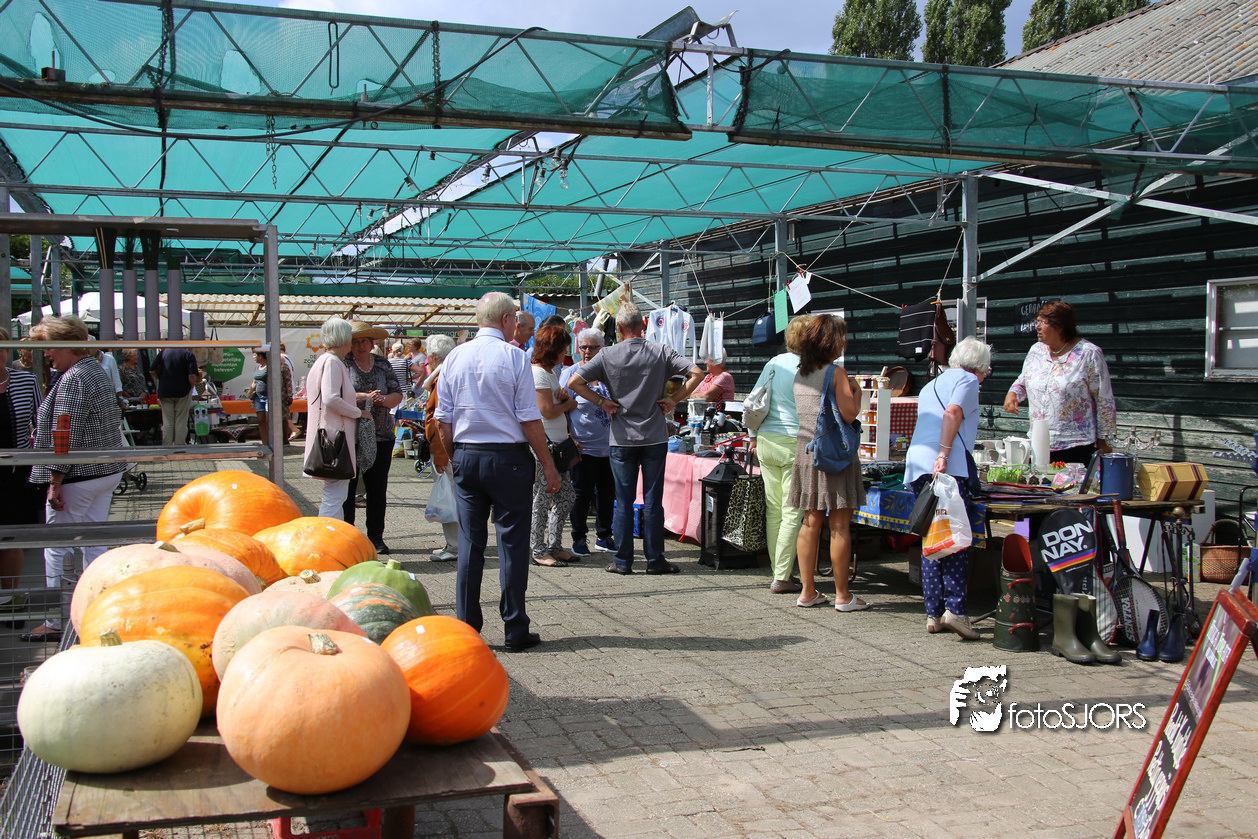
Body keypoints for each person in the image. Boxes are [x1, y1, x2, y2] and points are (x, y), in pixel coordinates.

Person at [436, 292, 560, 653]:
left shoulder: (454, 357)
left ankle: (466, 627)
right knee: (512, 545)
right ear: (507, 320)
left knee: (470, 545)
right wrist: (548, 464)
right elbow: (529, 418)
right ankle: (515, 627)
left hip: (468, 455)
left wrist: (456, 457)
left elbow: (443, 420)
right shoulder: (514, 357)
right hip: (509, 459)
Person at [567, 302, 704, 576]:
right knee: (653, 500)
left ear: (618, 328)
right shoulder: (661, 351)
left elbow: (574, 383)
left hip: (621, 439)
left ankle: (622, 561)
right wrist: (674, 399)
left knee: (623, 500)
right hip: (654, 436)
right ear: (643, 324)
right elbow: (697, 374)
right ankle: (655, 560)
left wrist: (602, 402)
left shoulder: (607, 355)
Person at [24, 316, 126, 642]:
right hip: (105, 471)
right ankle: (99, 612)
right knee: (94, 543)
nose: (46, 354)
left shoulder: (73, 378)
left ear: (66, 344)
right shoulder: (93, 369)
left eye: (48, 347)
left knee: (55, 547)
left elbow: (64, 430)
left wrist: (55, 480)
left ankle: (54, 621)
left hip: (79, 476)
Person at [905, 337, 993, 640]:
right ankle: (955, 610)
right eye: (987, 370)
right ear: (979, 367)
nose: (985, 376)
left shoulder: (931, 385)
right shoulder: (968, 380)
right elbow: (952, 413)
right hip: (947, 466)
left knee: (933, 539)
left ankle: (934, 613)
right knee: (954, 539)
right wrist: (943, 454)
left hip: (918, 463)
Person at [788, 314, 868, 612]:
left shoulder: (801, 373)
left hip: (806, 451)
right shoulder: (836, 372)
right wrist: (857, 390)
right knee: (839, 525)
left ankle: (807, 591)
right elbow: (850, 413)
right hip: (834, 453)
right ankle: (843, 596)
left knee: (809, 522)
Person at [1003, 300, 1117, 465]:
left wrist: (1103, 441)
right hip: (1038, 445)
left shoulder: (1088, 354)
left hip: (1076, 447)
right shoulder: (1036, 350)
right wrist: (1013, 393)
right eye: (1037, 321)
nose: (1037, 327)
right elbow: (1023, 380)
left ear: (1060, 326)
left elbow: (1104, 400)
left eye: (1043, 322)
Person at [747, 315, 813, 595]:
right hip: (793, 442)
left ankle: (779, 572)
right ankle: (782, 576)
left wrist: (752, 435)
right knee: (792, 512)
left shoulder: (773, 363)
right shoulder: (812, 367)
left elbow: (754, 400)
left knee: (774, 510)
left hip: (766, 440)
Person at [343, 320, 403, 554]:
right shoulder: (343, 363)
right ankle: (347, 538)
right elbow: (337, 394)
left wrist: (383, 400)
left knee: (377, 490)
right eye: (356, 342)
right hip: (351, 435)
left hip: (382, 435)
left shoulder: (382, 363)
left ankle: (376, 537)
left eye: (364, 341)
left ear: (371, 342)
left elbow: (397, 393)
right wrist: (364, 397)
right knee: (347, 489)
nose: (360, 346)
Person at [304, 317, 371, 519]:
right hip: (334, 438)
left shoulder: (324, 361)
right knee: (335, 494)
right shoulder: (332, 362)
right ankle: (328, 532)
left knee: (335, 493)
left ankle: (331, 531)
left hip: (329, 435)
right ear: (344, 339)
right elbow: (331, 398)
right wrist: (358, 412)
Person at [0, 327, 44, 611]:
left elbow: (41, 423)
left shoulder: (26, 381)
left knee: (11, 536)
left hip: (16, 473)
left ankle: (10, 597)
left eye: (2, 347)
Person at [529, 324, 579, 568]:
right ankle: (538, 548)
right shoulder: (538, 373)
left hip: (557, 444)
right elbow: (546, 411)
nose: (565, 353)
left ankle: (554, 545)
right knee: (542, 497)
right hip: (546, 446)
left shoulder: (548, 372)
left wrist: (563, 399)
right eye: (563, 349)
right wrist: (569, 404)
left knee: (566, 496)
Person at [561, 328, 614, 558]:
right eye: (583, 347)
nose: (587, 351)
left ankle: (604, 536)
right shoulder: (571, 374)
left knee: (607, 493)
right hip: (583, 447)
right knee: (581, 495)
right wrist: (569, 436)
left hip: (609, 447)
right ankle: (579, 538)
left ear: (602, 349)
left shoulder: (608, 374)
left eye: (592, 347)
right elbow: (561, 408)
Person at [421, 334, 458, 562]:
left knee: (450, 499)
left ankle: (454, 547)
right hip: (448, 447)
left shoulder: (442, 377)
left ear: (434, 356)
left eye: (428, 357)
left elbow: (439, 420)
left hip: (445, 448)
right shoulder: (448, 373)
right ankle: (453, 544)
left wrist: (441, 455)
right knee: (452, 496)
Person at [151, 344, 200, 445]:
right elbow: (192, 375)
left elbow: (152, 371)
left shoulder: (163, 353)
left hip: (165, 391)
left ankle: (167, 445)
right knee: (181, 420)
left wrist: (161, 378)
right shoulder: (188, 355)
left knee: (167, 421)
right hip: (183, 391)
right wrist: (191, 386)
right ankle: (179, 445)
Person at [246, 346, 292, 446]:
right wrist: (250, 391)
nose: (253, 357)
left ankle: (275, 442)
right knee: (261, 421)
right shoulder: (257, 368)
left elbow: (287, 381)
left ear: (260, 356)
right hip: (259, 398)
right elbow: (255, 381)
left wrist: (289, 395)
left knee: (270, 421)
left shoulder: (273, 367)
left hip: (270, 398)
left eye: (254, 354)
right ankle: (265, 443)